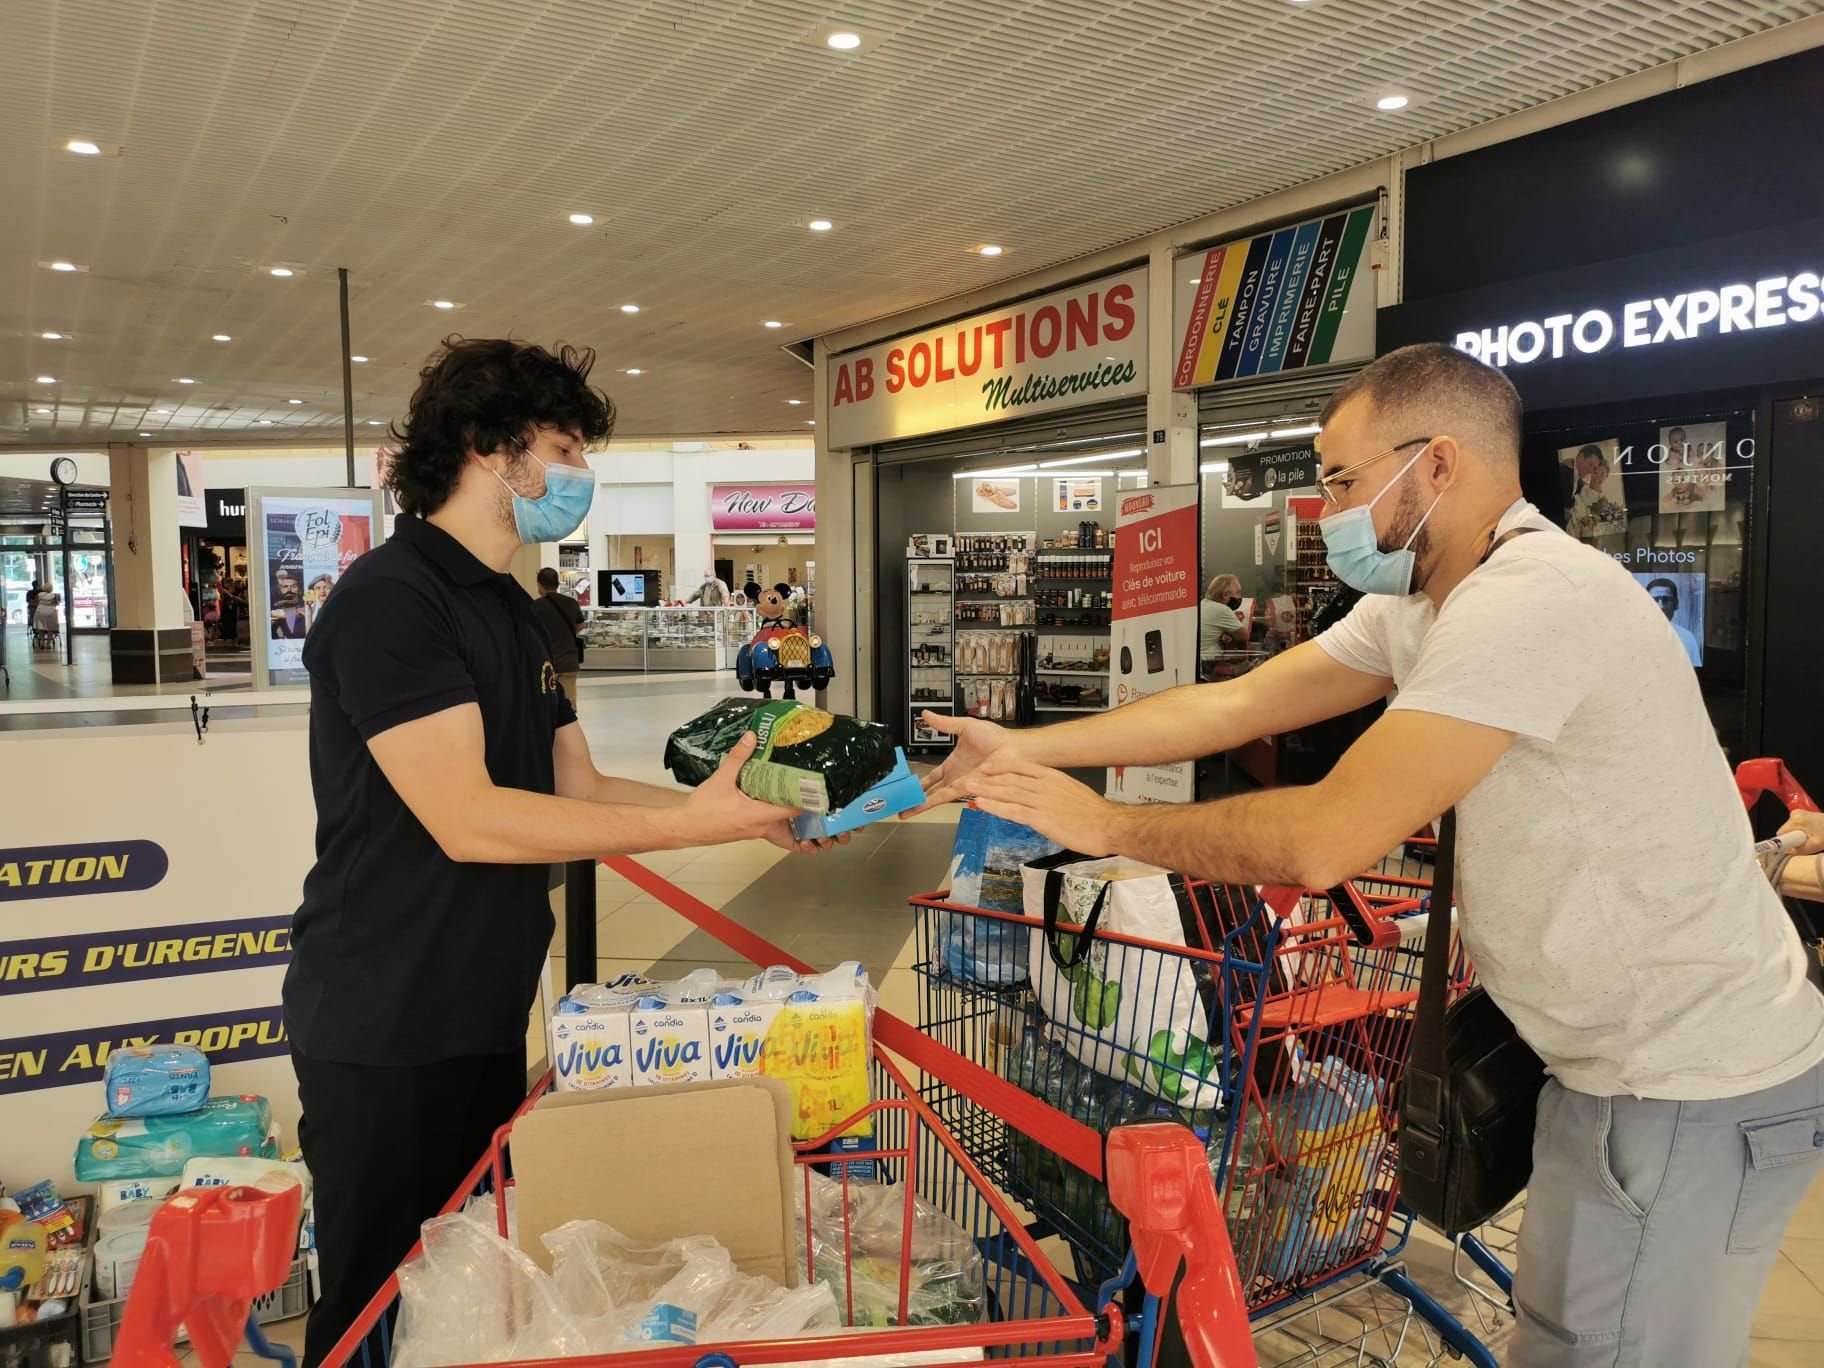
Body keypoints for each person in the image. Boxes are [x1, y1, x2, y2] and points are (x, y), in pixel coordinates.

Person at [919, 342, 1824, 1367]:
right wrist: (1026, 745)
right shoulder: (1422, 607)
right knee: (1573, 1340)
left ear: (1437, 463)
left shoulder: (1531, 600)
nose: (1327, 508)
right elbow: (1238, 702)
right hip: (1609, 1072)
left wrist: (1108, 829)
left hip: (1690, 1079)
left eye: (1343, 480)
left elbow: (1323, 841)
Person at [285, 337, 843, 1367]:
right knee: (372, 1304)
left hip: (484, 1003)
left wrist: (743, 809)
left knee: (472, 1284)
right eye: (563, 446)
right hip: (381, 1012)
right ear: (487, 450)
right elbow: (473, 816)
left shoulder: (520, 610)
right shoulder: (390, 600)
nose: (578, 473)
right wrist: (690, 825)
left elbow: (573, 787)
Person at [529, 565, 584, 704]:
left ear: (540, 585)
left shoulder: (535, 606)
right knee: (568, 704)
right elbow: (580, 625)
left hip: (545, 663)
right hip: (568, 662)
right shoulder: (571, 603)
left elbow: (529, 632)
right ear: (557, 584)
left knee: (547, 703)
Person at [1644, 575, 1702, 666]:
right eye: (1654, 600)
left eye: (1666, 600)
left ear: (1676, 604)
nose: (1661, 606)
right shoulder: (1633, 635)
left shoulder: (1688, 638)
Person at [1198, 574, 1247, 660]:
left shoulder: (1203, 603)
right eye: (1238, 592)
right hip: (1209, 663)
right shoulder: (1222, 609)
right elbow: (1244, 636)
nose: (1240, 596)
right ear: (1226, 595)